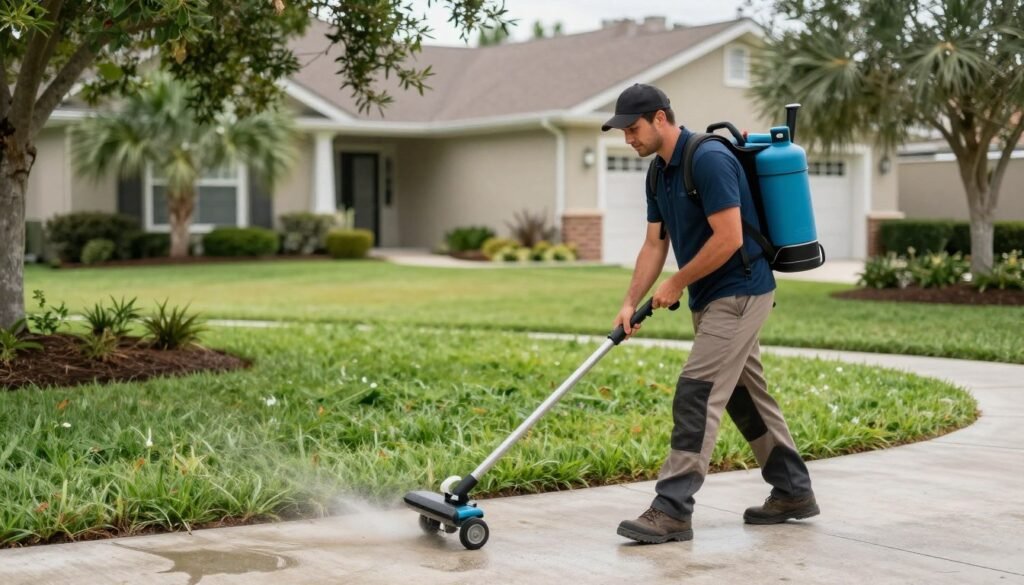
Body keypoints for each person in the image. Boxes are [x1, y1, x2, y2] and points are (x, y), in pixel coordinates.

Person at [602, 83, 819, 544]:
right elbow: (654, 243)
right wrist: (629, 301)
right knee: (743, 393)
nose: (628, 139)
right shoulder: (659, 173)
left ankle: (672, 508)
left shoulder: (708, 158)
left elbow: (730, 238)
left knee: (696, 392)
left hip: (740, 291)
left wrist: (677, 282)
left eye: (633, 129)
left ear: (661, 118)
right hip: (712, 296)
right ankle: (793, 490)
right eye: (623, 132)